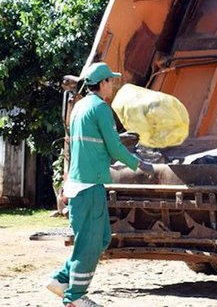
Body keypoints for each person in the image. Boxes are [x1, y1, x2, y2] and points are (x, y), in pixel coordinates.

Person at [45, 62, 155, 307]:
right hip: (89, 185)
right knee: (91, 243)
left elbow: (91, 145)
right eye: (111, 81)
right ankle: (74, 297)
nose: (113, 85)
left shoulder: (80, 107)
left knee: (102, 238)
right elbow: (114, 147)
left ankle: (61, 279)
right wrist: (140, 165)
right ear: (102, 83)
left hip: (79, 183)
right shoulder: (101, 108)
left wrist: (116, 142)